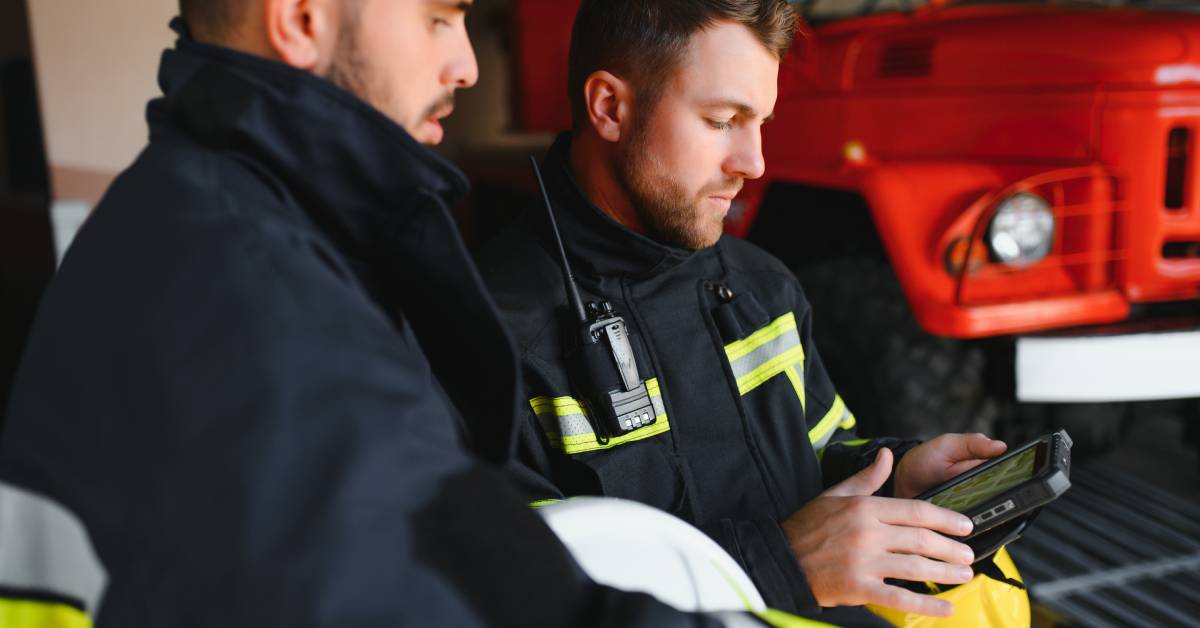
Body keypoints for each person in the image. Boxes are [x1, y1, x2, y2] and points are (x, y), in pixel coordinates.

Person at [0, 1, 725, 625]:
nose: (467, 66)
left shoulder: (203, 222)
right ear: (302, 20)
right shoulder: (255, 300)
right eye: (438, 18)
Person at [476, 0, 1009, 621]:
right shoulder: (487, 333)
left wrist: (895, 475)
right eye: (722, 119)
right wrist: (776, 567)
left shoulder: (764, 287)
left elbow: (819, 453)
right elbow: (510, 590)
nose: (753, 162)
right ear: (609, 108)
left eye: (759, 122)